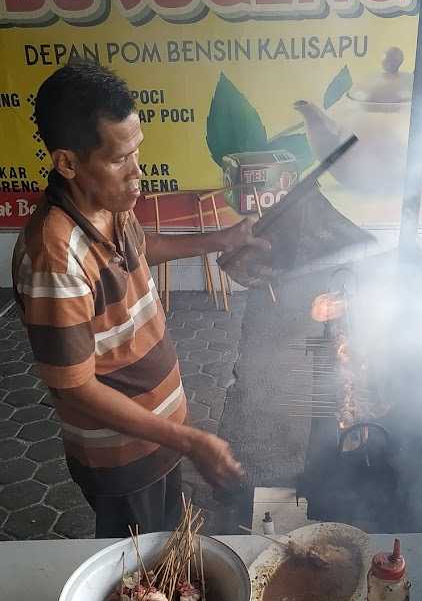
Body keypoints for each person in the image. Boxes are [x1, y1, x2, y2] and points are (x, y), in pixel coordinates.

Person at [12, 60, 268, 538]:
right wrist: (190, 441)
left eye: (138, 153)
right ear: (67, 162)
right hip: (123, 455)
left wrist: (220, 241)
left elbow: (139, 248)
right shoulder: (55, 257)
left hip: (157, 437)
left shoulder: (110, 206)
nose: (138, 174)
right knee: (142, 578)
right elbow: (75, 388)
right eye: (118, 159)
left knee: (166, 541)